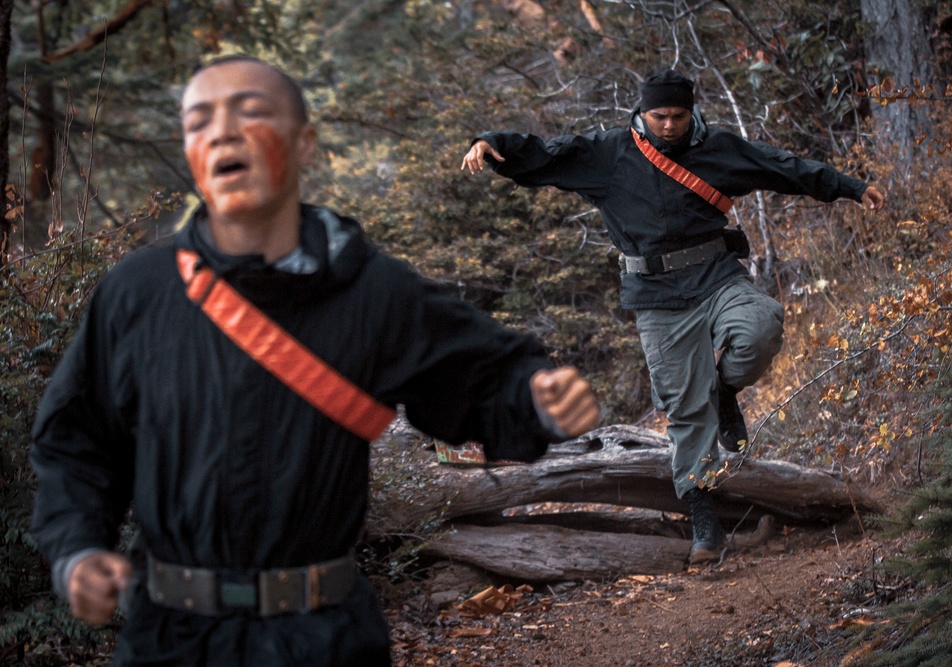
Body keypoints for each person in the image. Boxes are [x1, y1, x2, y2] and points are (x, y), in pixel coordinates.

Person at [29, 55, 600, 667]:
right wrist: (77, 550)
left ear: (305, 144)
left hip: (321, 638)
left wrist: (538, 398)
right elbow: (77, 439)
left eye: (250, 112)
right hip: (168, 638)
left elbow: (484, 376)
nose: (221, 131)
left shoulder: (371, 290)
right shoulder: (138, 292)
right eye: (199, 121)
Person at [461, 69, 885, 565]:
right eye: (658, 115)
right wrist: (491, 144)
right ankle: (704, 519)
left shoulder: (718, 148)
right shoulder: (608, 153)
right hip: (656, 297)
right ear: (641, 112)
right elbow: (545, 155)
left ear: (691, 112)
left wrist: (850, 187)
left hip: (716, 276)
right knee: (685, 410)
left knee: (761, 326)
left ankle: (725, 391)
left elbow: (780, 166)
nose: (667, 125)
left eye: (677, 116)